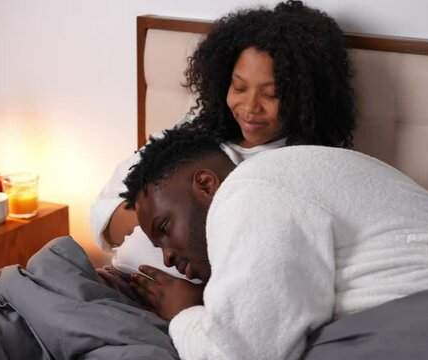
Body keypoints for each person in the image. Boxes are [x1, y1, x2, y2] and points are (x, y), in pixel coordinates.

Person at [124, 126, 428, 360]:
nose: (169, 256)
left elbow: (243, 353)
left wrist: (182, 314)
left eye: (164, 227)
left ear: (207, 184)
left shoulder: (247, 192)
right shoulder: (298, 173)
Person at [90, 1, 355, 275]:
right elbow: (104, 213)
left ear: (306, 99)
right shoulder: (189, 133)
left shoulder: (302, 169)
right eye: (239, 87)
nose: (250, 107)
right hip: (118, 282)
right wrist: (165, 222)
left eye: (271, 94)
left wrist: (166, 218)